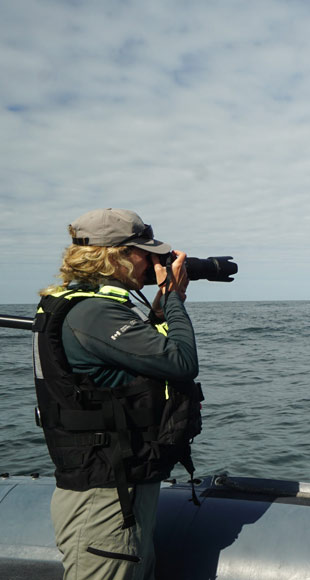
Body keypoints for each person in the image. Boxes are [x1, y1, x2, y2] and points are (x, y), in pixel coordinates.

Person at [32, 208, 203, 580]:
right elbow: (181, 361)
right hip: (105, 500)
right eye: (146, 252)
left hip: (117, 487)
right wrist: (171, 296)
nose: (154, 261)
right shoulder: (93, 313)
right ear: (115, 256)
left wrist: (161, 307)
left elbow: (143, 361)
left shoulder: (88, 306)